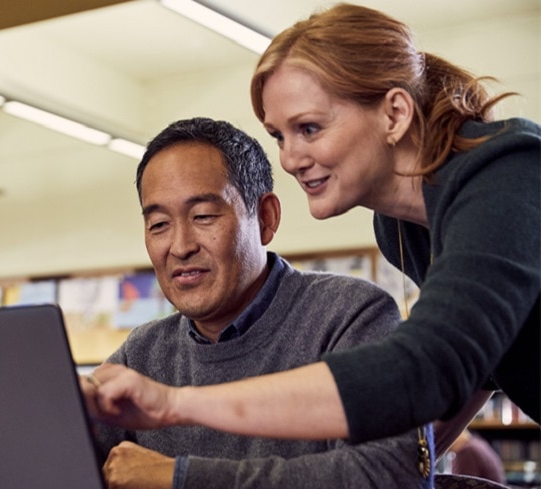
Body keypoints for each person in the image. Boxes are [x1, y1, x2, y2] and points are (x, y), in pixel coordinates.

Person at [87, 2, 539, 453]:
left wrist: (175, 404)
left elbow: (427, 368)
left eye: (309, 128)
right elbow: (477, 361)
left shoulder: (506, 175)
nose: (289, 158)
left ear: (395, 114)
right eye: (280, 136)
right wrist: (392, 466)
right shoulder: (400, 227)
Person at [83, 117, 433, 489]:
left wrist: (182, 478)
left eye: (203, 216)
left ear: (266, 218)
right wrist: (60, 412)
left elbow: (394, 484)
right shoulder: (143, 351)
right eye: (159, 224)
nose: (180, 246)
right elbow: (65, 467)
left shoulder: (350, 315)